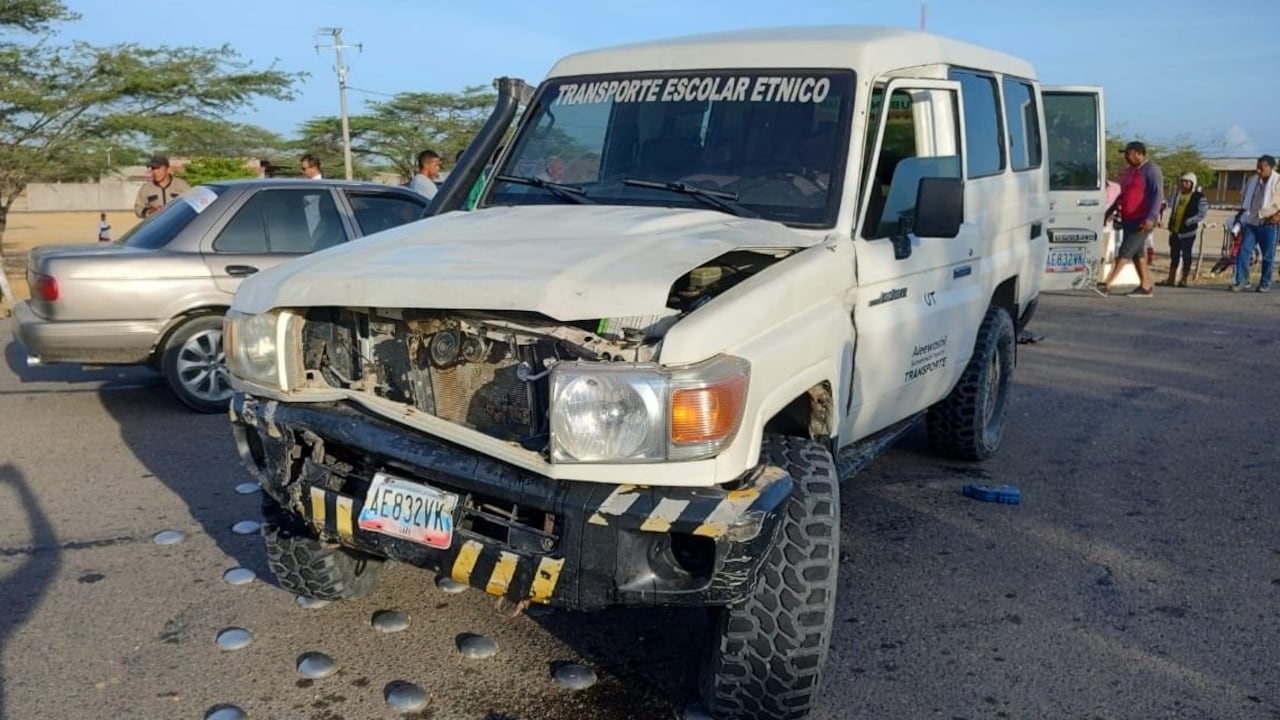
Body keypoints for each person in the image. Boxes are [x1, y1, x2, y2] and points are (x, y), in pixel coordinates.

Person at [1100, 141, 1163, 296]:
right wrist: (1110, 210)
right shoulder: (1128, 172)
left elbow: (1157, 195)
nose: (1126, 157)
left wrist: (1151, 217)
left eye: (1128, 153)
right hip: (1128, 217)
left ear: (1138, 153)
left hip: (1142, 219)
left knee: (1126, 250)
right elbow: (1122, 194)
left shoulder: (1151, 171)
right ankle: (1146, 285)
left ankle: (1107, 283)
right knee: (1137, 253)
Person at [1231, 154, 1280, 293]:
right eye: (1257, 168)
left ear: (1270, 167)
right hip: (1252, 222)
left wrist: (1278, 216)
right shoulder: (1252, 181)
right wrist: (1239, 217)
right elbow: (1245, 199)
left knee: (1268, 255)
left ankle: (1265, 282)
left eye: (1261, 168)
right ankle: (1242, 280)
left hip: (1269, 223)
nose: (1258, 171)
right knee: (1243, 251)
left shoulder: (1278, 181)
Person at [1160, 172, 1207, 287]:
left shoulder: (1199, 197)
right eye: (1182, 182)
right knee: (1174, 255)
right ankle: (1171, 279)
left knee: (1187, 255)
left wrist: (1189, 222)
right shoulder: (1177, 195)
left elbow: (1202, 213)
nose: (1184, 184)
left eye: (1187, 182)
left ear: (1193, 184)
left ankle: (1184, 279)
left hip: (1188, 232)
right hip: (1175, 230)